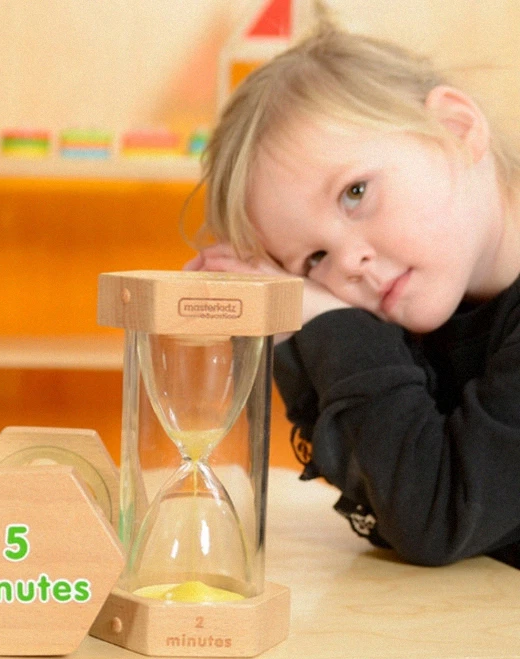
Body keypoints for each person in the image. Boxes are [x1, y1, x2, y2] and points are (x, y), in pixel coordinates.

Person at [185, 20, 520, 568]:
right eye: (313, 260)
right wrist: (301, 325)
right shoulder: (418, 312)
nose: (347, 264)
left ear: (456, 128)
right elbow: (384, 511)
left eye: (355, 192)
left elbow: (434, 517)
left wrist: (328, 322)